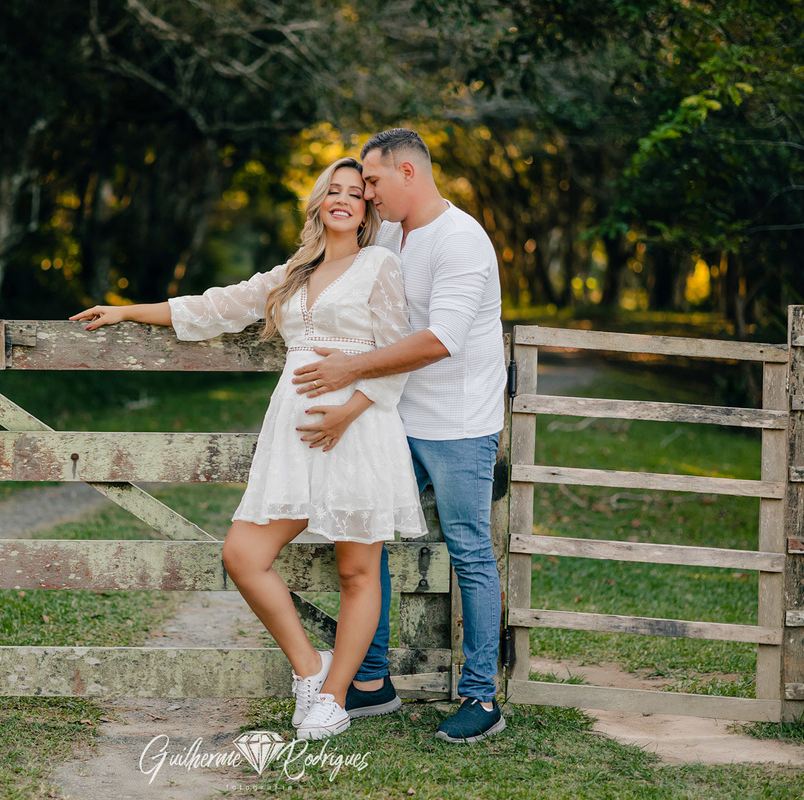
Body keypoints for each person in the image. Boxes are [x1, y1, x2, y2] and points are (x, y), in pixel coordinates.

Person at [71, 156, 427, 741]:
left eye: (354, 193)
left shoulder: (380, 265)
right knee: (242, 553)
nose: (342, 199)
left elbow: (396, 356)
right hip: (293, 435)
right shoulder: (290, 273)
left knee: (358, 570)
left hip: (359, 428)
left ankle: (335, 700)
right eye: (331, 191)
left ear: (367, 209)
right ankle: (310, 673)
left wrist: (346, 412)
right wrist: (128, 309)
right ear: (317, 203)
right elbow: (213, 307)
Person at [291, 128, 508, 744]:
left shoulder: (462, 240)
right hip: (391, 415)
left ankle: (480, 696)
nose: (369, 194)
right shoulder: (388, 233)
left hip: (458, 422)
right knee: (366, 534)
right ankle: (372, 679)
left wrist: (349, 368)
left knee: (467, 548)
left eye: (375, 182)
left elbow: (443, 339)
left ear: (408, 173)